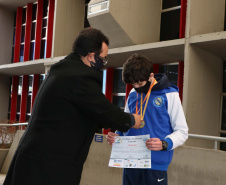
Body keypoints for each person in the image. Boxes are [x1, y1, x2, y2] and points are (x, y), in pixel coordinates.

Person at [3, 28, 141, 185]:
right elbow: (104, 110)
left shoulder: (63, 70)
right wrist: (130, 120)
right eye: (103, 58)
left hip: (34, 160)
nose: (103, 63)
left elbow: (88, 111)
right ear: (91, 56)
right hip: (47, 166)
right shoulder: (80, 76)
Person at [107, 54, 188, 185]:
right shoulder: (133, 94)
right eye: (133, 84)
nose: (137, 87)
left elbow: (182, 131)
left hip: (155, 163)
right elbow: (127, 122)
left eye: (140, 83)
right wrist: (118, 134)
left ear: (151, 75)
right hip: (131, 160)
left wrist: (164, 144)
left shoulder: (170, 94)